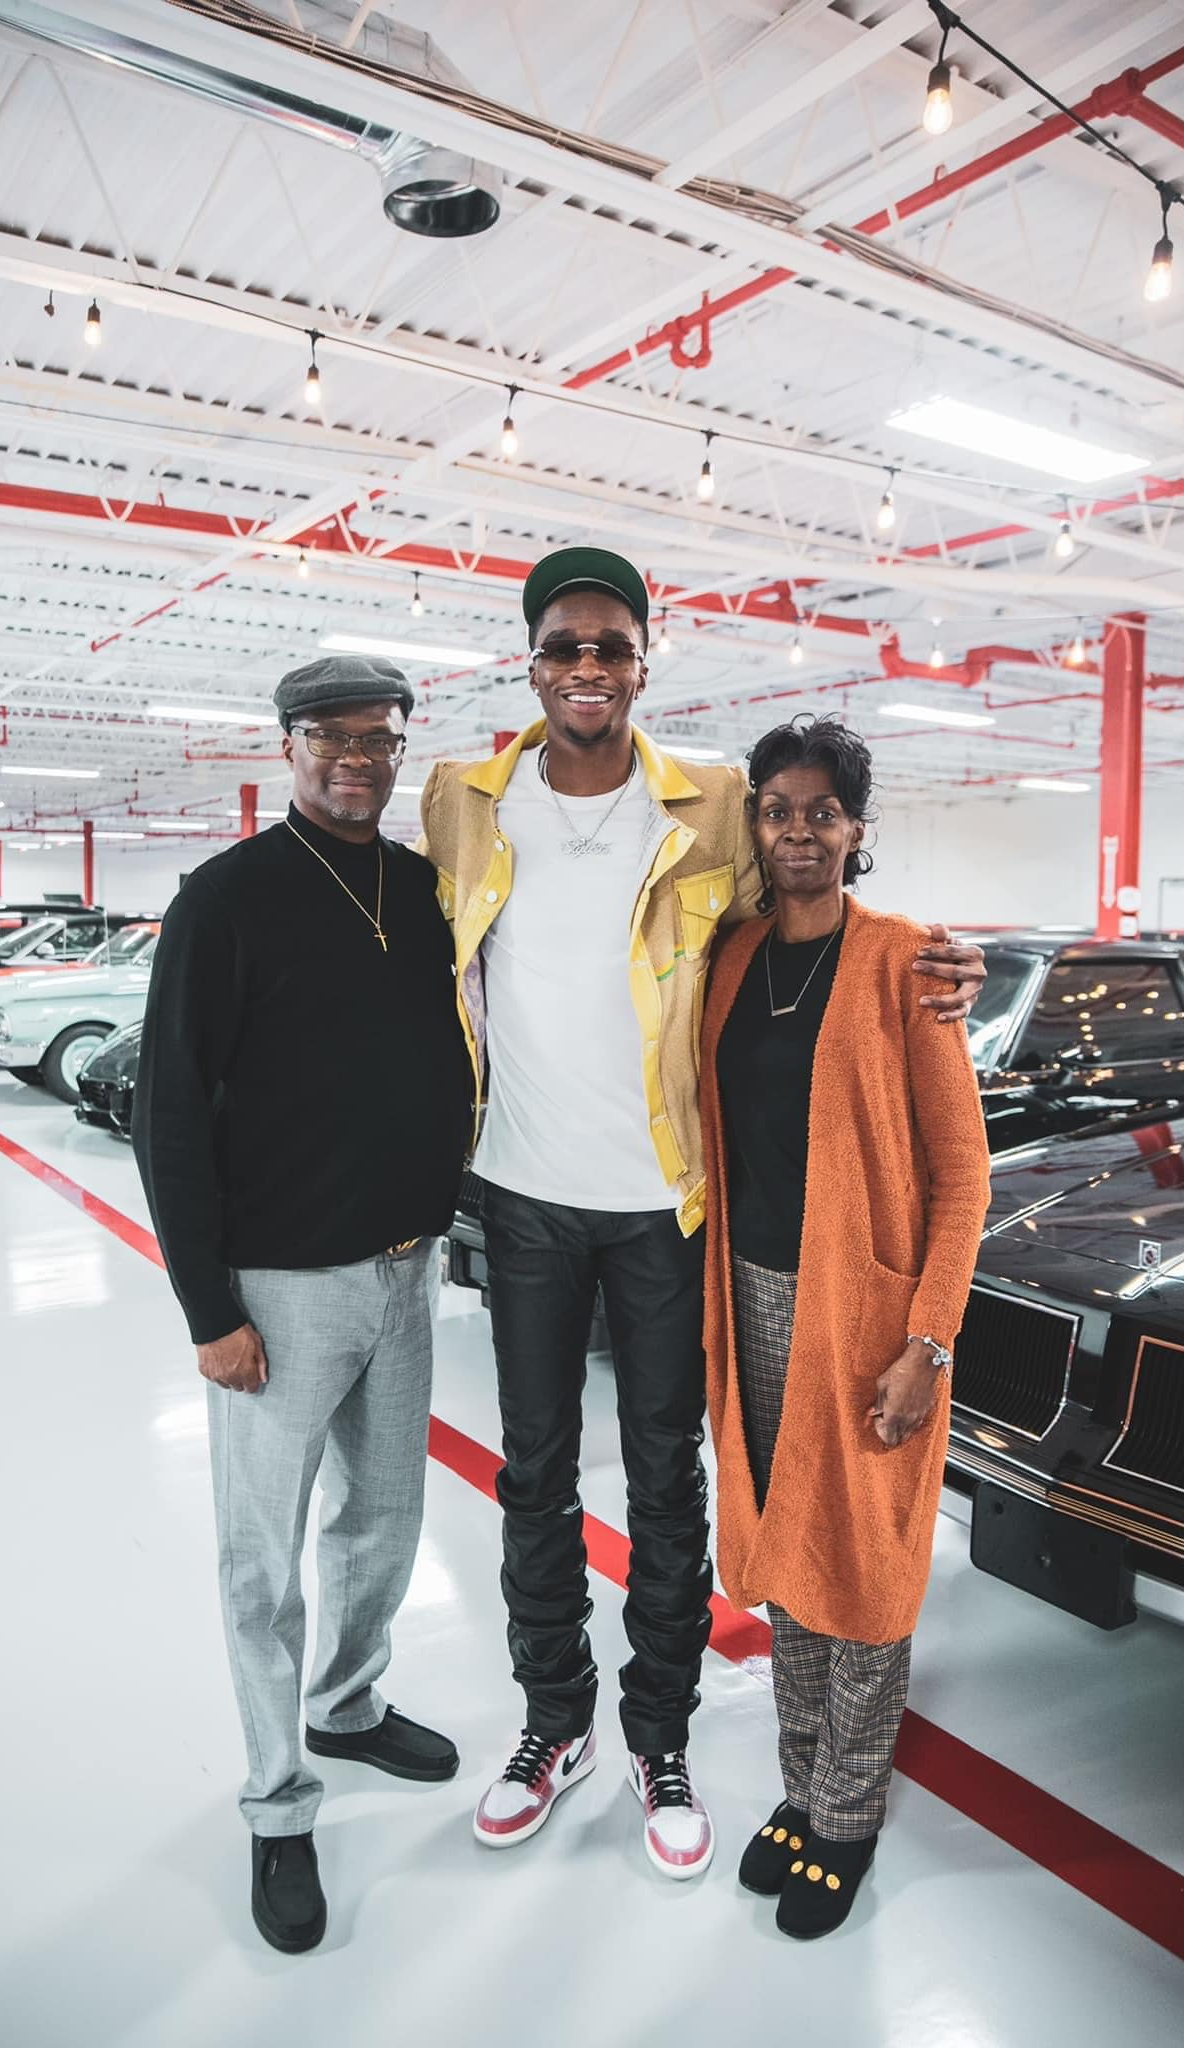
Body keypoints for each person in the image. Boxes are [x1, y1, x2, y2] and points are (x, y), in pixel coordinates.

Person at [419, 548, 986, 1880]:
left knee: (674, 1484)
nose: (586, 670)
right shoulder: (459, 797)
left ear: (640, 661)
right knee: (538, 1474)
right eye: (564, 648)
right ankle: (552, 1722)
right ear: (533, 663)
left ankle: (659, 1731)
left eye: (610, 648)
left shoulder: (714, 805)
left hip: (668, 1209)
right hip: (525, 1197)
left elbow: (827, 920)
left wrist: (940, 959)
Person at [132, 656, 471, 1954]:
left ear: (399, 750)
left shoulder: (424, 889)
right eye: (328, 737)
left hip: (403, 1270)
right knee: (259, 1560)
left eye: (377, 739)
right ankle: (278, 1806)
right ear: (284, 747)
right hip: (277, 1291)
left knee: (383, 1522)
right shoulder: (221, 902)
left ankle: (348, 1702)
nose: (354, 758)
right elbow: (171, 1109)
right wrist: (207, 1306)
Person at [699, 714, 991, 1939]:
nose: (799, 828)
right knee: (783, 1544)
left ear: (856, 826)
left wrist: (927, 1342)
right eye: (778, 808)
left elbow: (963, 1176)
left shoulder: (906, 960)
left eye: (823, 809)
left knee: (864, 1565)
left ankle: (847, 1813)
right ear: (755, 823)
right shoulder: (732, 954)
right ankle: (798, 1781)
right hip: (752, 1296)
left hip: (866, 1317)